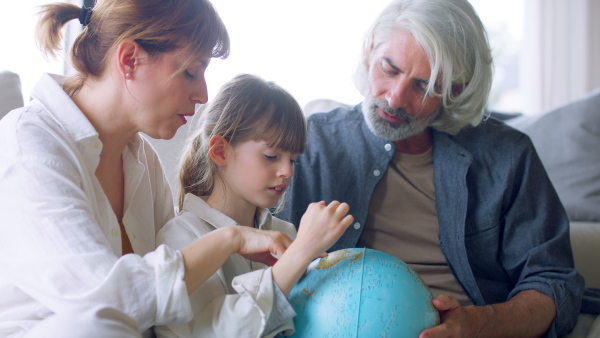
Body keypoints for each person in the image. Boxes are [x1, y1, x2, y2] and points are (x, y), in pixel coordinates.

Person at [279, 0, 599, 337]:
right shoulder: (309, 144)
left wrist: (476, 325)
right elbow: (257, 268)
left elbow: (553, 283)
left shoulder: (508, 156)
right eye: (389, 69)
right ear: (372, 47)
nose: (395, 98)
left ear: (455, 91)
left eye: (424, 86)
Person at [0, 1, 299, 337]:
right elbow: (107, 304)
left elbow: (172, 316)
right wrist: (230, 238)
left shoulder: (143, 161)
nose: (203, 94)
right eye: (190, 71)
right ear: (130, 60)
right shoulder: (29, 148)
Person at [154, 73, 354, 338]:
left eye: (292, 160)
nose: (287, 171)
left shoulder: (285, 232)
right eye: (271, 156)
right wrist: (301, 251)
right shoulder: (181, 236)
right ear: (221, 152)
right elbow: (209, 331)